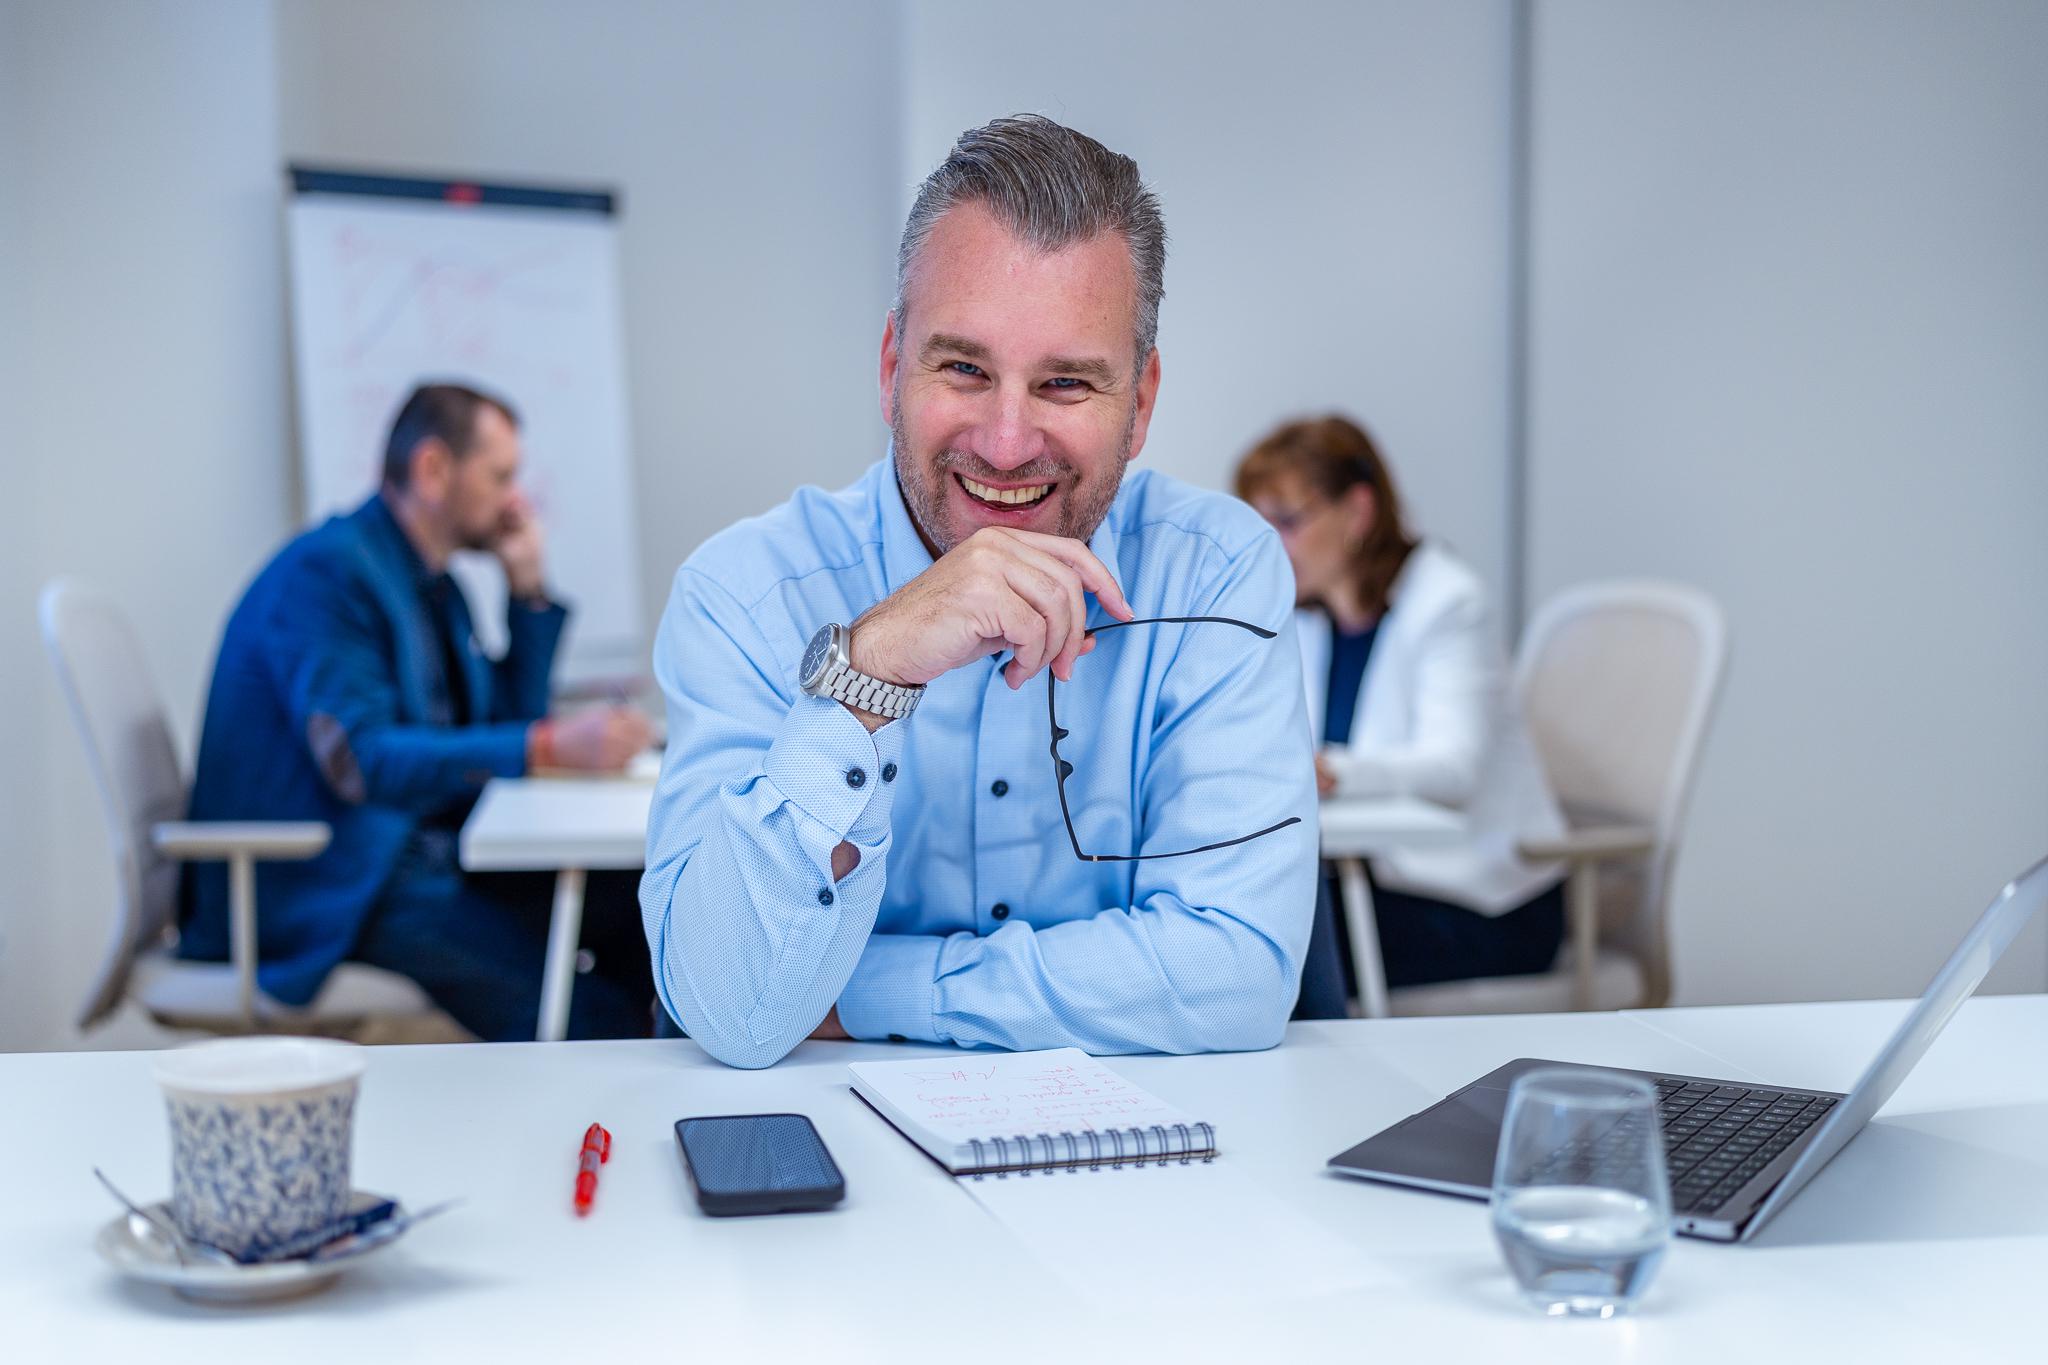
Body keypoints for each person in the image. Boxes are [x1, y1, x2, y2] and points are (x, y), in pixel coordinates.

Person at [640, 115, 1318, 1069]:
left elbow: (1236, 975)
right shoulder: (743, 592)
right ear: (891, 369)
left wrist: (862, 989)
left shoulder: (1216, 572)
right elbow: (734, 1010)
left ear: (1144, 401)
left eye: (1067, 383)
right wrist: (865, 675)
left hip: (1150, 1180)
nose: (1006, 443)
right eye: (964, 368)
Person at [180, 382, 656, 1039]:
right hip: (340, 881)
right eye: (500, 476)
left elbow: (496, 724)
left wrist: (528, 594)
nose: (516, 501)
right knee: (591, 1013)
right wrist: (546, 744)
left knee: (638, 901)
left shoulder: (432, 584)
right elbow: (363, 758)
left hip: (413, 852)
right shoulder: (328, 575)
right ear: (433, 469)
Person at [1234, 415, 1566, 1007]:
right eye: (1261, 524)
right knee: (1239, 919)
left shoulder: (1447, 602)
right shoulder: (1309, 619)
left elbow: (1453, 769)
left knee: (1278, 947)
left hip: (1482, 906)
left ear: (1357, 513)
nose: (1271, 545)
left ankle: (1321, 1099)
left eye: (1287, 521)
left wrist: (1332, 771)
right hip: (1373, 884)